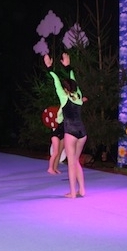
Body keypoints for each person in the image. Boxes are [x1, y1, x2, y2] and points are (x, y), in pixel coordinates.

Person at [44, 52, 86, 198]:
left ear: (65, 89)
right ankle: (82, 190)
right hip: (82, 132)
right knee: (76, 161)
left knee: (71, 163)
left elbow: (56, 80)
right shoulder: (79, 95)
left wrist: (49, 67)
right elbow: (73, 79)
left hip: (71, 132)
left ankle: (73, 192)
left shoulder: (64, 96)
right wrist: (68, 67)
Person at [47, 107, 65, 174]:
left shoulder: (69, 119)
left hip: (63, 136)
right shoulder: (60, 117)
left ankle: (55, 168)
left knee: (59, 152)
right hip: (55, 135)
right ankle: (50, 168)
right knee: (56, 152)